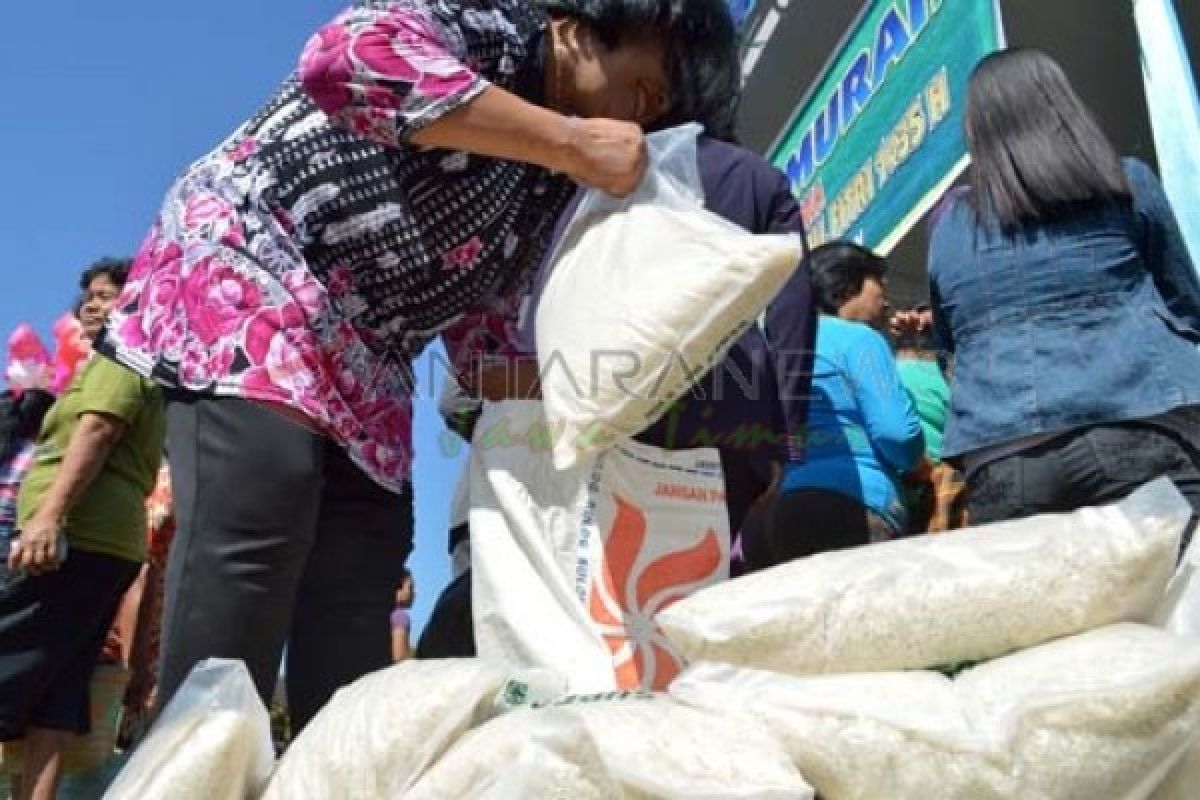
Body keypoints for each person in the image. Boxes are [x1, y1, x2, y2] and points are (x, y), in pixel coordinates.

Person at [95, 0, 740, 731]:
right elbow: (345, 58)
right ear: (580, 28)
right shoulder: (489, 27)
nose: (633, 126)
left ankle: (331, 769)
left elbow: (485, 323)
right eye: (645, 94)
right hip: (257, 265)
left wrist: (577, 411)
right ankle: (192, 760)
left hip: (372, 354)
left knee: (362, 559)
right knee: (263, 508)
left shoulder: (547, 187)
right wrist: (567, 141)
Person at [928, 48, 1200, 533]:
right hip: (1137, 420)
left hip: (1004, 457)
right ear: (1062, 106)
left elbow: (949, 352)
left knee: (1050, 609)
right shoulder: (1125, 183)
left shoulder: (950, 226)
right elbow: (1186, 304)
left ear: (976, 129)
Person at [0, 352, 164, 800]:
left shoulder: (125, 355)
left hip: (78, 537)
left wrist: (49, 516)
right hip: (106, 544)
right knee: (54, 701)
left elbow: (99, 428)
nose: (94, 308)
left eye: (106, 297)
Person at [763, 243, 924, 566]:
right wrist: (918, 462)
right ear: (848, 284)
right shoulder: (859, 339)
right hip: (860, 505)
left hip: (787, 512)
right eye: (878, 284)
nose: (886, 300)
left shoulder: (775, 350)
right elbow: (898, 435)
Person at [391, 568, 415, 662]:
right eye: (410, 588)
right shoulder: (400, 616)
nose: (414, 593)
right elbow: (400, 657)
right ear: (397, 590)